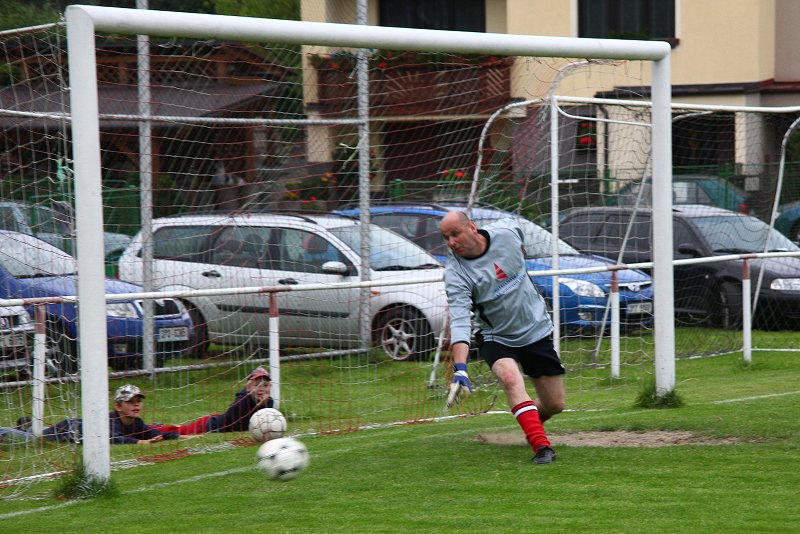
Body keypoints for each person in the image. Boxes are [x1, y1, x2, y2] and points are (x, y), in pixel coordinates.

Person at [439, 211, 565, 465]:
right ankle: (542, 447)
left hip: (536, 329)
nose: (451, 242)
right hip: (496, 336)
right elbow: (460, 321)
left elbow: (518, 226)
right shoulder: (456, 273)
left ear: (472, 227)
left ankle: (531, 422)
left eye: (455, 234)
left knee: (555, 404)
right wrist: (460, 367)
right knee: (510, 379)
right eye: (446, 237)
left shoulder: (506, 233)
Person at [0, 384, 181, 445]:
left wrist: (179, 437)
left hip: (76, 427)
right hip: (68, 429)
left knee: (35, 432)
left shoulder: (137, 422)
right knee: (34, 439)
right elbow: (112, 438)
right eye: (130, 402)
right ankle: (6, 431)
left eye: (138, 401)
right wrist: (141, 442)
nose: (136, 405)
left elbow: (152, 433)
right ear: (118, 406)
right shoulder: (111, 420)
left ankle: (27, 424)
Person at [151, 366, 274, 436]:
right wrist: (255, 403)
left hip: (217, 419)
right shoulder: (241, 401)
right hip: (209, 426)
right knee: (180, 431)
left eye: (265, 385)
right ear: (248, 387)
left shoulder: (269, 402)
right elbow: (236, 418)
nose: (261, 389)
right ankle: (151, 428)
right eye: (256, 385)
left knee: (181, 428)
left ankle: (160, 426)